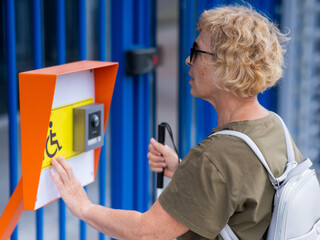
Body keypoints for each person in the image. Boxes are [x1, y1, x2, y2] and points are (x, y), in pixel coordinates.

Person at [50, 5, 302, 240]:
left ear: (227, 66)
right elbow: (240, 191)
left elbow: (146, 232)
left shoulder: (215, 158)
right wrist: (183, 170)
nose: (188, 61)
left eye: (196, 51)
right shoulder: (275, 127)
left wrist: (83, 207)